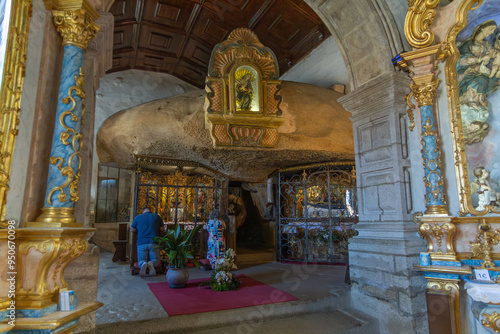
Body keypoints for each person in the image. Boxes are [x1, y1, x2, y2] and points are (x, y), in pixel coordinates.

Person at [130, 207, 163, 277]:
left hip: (141, 242)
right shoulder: (157, 217)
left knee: (141, 260)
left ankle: (143, 264)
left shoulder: (138, 217)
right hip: (153, 242)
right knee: (156, 260)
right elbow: (162, 228)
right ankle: (151, 263)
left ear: (143, 212)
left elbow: (132, 229)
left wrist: (138, 230)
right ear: (151, 211)